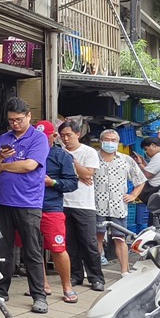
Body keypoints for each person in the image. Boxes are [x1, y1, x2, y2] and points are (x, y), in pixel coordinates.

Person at [0, 98, 50, 313]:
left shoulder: (38, 138)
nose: (15, 124)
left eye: (18, 119)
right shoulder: (3, 139)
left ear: (28, 116)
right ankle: (0, 290)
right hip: (2, 200)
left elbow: (30, 165)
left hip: (28, 202)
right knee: (2, 248)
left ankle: (39, 295)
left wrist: (4, 166)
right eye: (11, 120)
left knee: (32, 250)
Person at [35, 121, 80, 303]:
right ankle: (42, 285)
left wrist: (52, 182)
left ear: (54, 136)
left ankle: (67, 286)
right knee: (33, 249)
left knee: (58, 248)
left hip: (52, 207)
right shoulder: (30, 153)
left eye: (44, 137)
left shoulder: (62, 156)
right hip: (29, 207)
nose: (41, 141)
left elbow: (72, 184)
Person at [58, 120, 105, 292]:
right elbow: (60, 176)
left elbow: (88, 173)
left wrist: (72, 162)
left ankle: (96, 277)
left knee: (89, 242)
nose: (66, 139)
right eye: (62, 136)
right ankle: (76, 275)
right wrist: (77, 174)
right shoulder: (58, 152)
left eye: (69, 135)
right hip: (63, 202)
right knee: (70, 243)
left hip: (84, 204)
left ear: (78, 134)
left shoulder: (89, 152)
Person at [94, 129, 146, 272]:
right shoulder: (93, 158)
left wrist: (133, 195)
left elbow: (140, 180)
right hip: (97, 204)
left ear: (118, 143)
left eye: (113, 140)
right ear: (101, 141)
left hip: (118, 205)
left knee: (120, 238)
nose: (110, 143)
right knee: (96, 237)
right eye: (107, 139)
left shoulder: (126, 160)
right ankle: (95, 271)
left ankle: (124, 271)